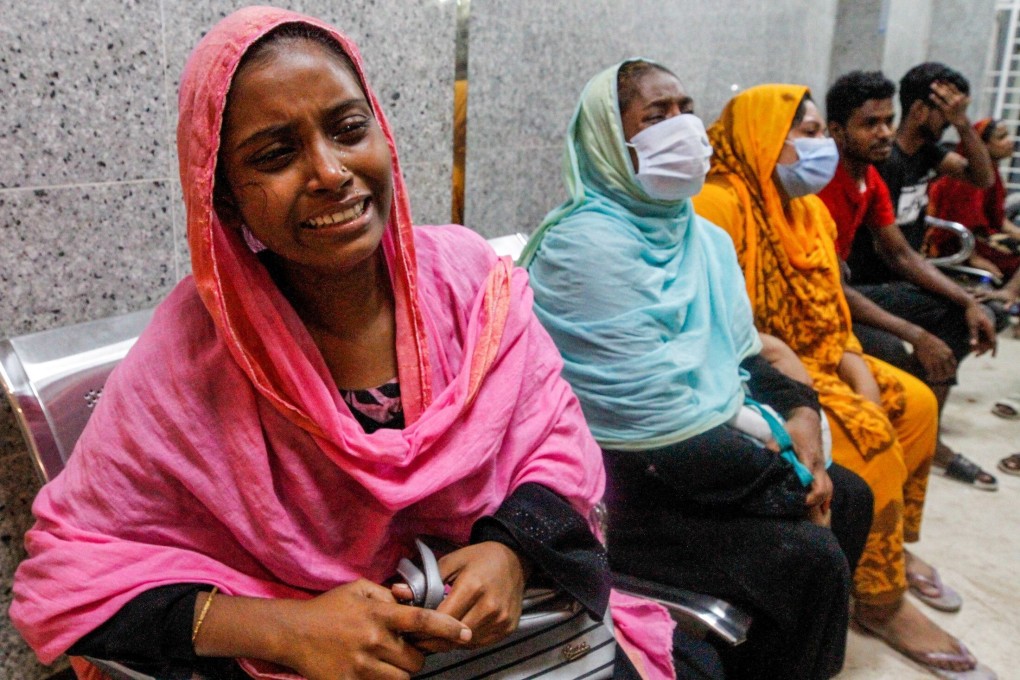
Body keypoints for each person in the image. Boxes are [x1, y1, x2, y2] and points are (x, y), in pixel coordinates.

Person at [10, 9, 674, 680]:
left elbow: (558, 444)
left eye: (349, 129)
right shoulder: (195, 354)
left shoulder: (471, 286)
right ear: (228, 199)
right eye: (275, 154)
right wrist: (287, 629)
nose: (328, 172)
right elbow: (70, 571)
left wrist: (513, 552)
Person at [521, 59, 875, 680]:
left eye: (686, 108)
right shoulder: (583, 248)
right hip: (626, 489)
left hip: (704, 460)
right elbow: (650, 425)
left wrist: (804, 422)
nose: (683, 126)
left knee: (849, 496)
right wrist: (789, 478)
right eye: (656, 115)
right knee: (810, 558)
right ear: (611, 140)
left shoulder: (698, 236)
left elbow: (744, 358)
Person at [692, 84, 997, 678]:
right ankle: (881, 602)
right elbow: (733, 335)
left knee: (912, 402)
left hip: (824, 350)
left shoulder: (806, 208)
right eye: (805, 134)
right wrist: (825, 386)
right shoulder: (718, 206)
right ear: (764, 139)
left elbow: (831, 307)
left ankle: (886, 552)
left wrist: (855, 364)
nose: (820, 146)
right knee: (872, 438)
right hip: (763, 370)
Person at [820, 69, 1000, 491]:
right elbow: (830, 285)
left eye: (887, 120)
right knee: (895, 360)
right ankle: (897, 449)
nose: (884, 132)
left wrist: (967, 300)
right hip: (841, 295)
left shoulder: (871, 177)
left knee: (960, 315)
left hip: (864, 289)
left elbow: (900, 252)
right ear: (836, 131)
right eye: (871, 124)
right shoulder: (824, 180)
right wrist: (916, 334)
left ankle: (923, 440)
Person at [929, 118, 1020, 303]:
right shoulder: (966, 176)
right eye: (1001, 137)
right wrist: (974, 258)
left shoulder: (992, 174)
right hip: (958, 243)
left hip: (980, 237)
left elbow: (998, 219)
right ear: (983, 145)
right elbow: (956, 220)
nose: (1010, 141)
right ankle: (1010, 294)